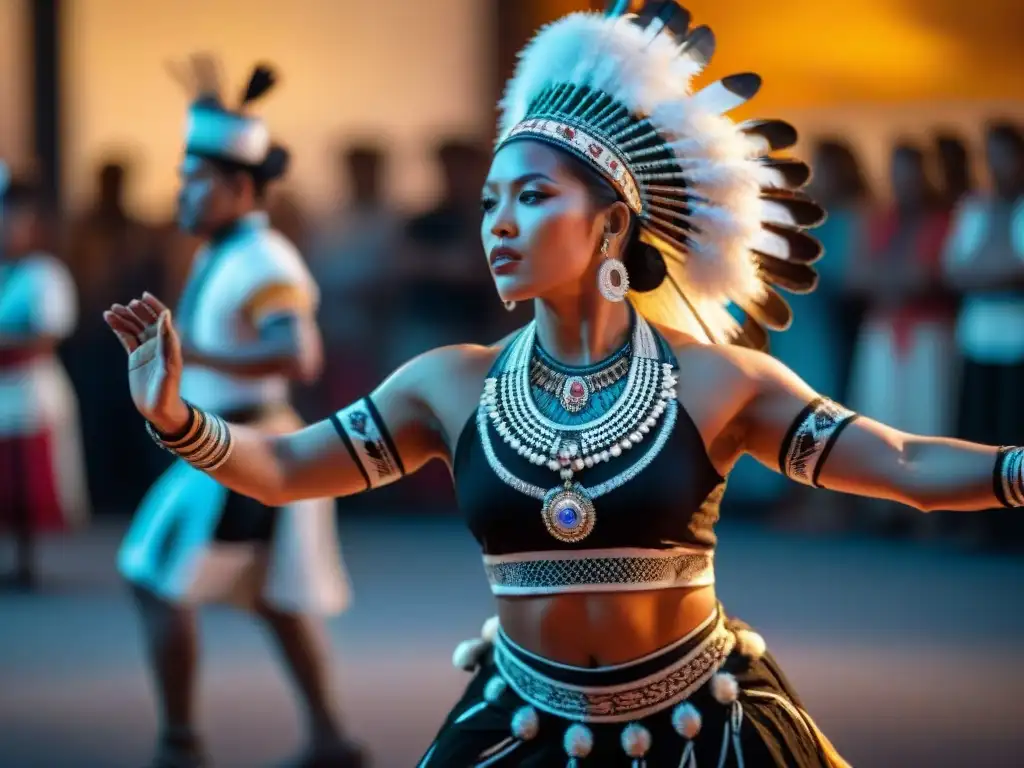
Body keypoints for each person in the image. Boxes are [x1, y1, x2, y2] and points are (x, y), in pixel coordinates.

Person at [105, 8, 1020, 766]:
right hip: (522, 724)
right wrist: (178, 419)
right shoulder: (449, 385)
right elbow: (285, 469)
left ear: (612, 224)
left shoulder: (716, 382)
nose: (498, 225)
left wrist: (1018, 470)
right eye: (488, 204)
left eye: (532, 198)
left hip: (708, 724)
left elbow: (900, 461)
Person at [111, 57, 363, 768]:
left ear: (239, 187)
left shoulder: (263, 262)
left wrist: (192, 357)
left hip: (232, 448)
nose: (181, 195)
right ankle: (330, 736)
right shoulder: (231, 251)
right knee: (277, 600)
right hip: (236, 443)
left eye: (194, 182)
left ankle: (181, 741)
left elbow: (300, 355)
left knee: (154, 579)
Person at [0, 167, 89, 589]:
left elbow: (45, 336)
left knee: (26, 474)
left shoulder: (44, 274)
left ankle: (27, 558)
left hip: (29, 388)